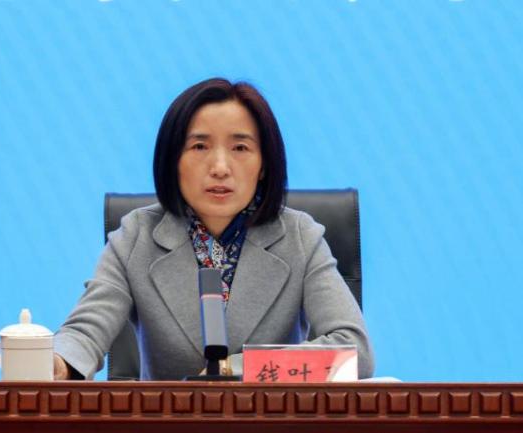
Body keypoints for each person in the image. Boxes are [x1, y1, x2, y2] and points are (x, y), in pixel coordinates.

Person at [53, 78, 374, 380]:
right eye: (199, 147)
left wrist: (237, 367)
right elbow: (84, 334)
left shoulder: (300, 237)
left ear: (263, 165)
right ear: (173, 161)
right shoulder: (137, 236)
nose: (220, 168)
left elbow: (354, 350)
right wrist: (57, 363)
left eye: (240, 148)